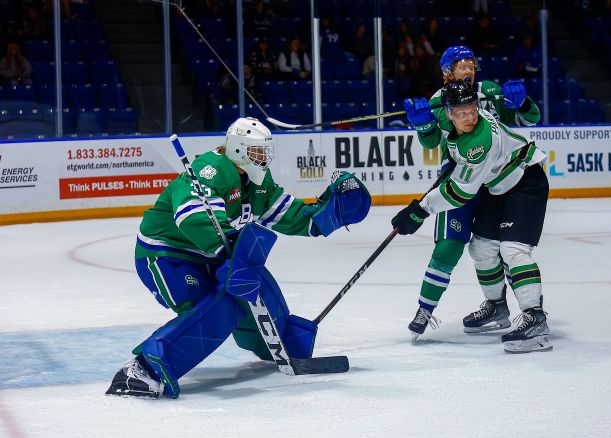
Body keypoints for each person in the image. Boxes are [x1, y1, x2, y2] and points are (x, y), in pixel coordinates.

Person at [106, 117, 370, 399]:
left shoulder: (258, 181)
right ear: (239, 149)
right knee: (222, 309)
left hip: (210, 257)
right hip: (167, 256)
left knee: (256, 281)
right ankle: (143, 368)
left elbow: (284, 214)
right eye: (258, 151)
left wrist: (323, 217)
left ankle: (276, 345)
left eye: (266, 151)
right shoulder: (208, 170)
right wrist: (228, 247)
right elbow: (192, 218)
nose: (264, 158)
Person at [394, 80, 551, 353]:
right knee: (481, 248)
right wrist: (422, 123)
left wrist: (419, 210)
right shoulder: (447, 116)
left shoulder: (478, 141)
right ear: (448, 112)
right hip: (499, 187)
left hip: (526, 180)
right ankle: (497, 308)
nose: (468, 117)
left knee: (513, 250)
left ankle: (535, 319)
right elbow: (435, 132)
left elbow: (459, 193)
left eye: (472, 110)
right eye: (461, 112)